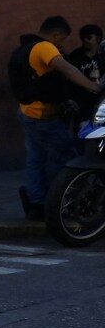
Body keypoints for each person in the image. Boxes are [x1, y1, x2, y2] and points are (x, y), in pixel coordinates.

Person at [15, 16, 102, 220]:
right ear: (56, 34)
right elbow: (67, 69)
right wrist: (93, 86)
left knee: (36, 159)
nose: (62, 44)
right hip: (43, 117)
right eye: (62, 39)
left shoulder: (27, 47)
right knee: (68, 158)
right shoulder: (45, 47)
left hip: (27, 112)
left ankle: (37, 204)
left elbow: (48, 82)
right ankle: (58, 203)